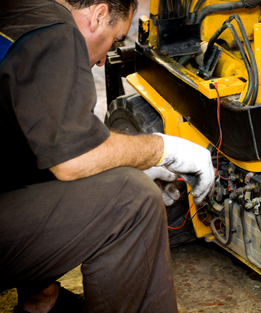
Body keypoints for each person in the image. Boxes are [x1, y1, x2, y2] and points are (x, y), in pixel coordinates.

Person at [0, 0, 215, 312]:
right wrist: (164, 150)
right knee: (132, 201)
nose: (103, 62)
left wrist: (121, 163)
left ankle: (40, 301)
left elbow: (43, 141)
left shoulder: (20, 14)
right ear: (98, 15)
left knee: (38, 151)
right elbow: (73, 159)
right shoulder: (56, 30)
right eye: (116, 39)